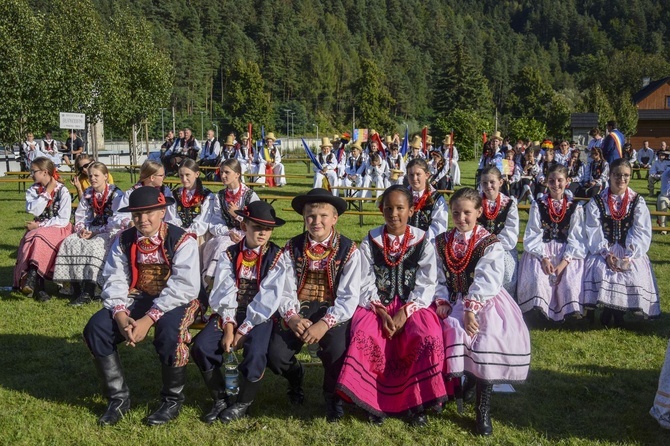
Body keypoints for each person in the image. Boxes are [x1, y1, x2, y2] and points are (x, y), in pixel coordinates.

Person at [83, 186, 201, 426]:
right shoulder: (124, 239)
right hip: (139, 296)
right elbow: (115, 277)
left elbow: (184, 286)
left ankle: (172, 400)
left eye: (149, 212)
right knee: (96, 328)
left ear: (162, 212)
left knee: (170, 331)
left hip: (178, 299)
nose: (143, 219)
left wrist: (148, 319)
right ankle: (118, 399)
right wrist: (119, 314)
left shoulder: (181, 240)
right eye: (137, 214)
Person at [336, 185, 446, 426]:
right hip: (377, 304)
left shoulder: (423, 241)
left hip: (413, 303)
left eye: (400, 208)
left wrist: (406, 312)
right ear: (380, 209)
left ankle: (418, 403)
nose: (393, 214)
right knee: (365, 332)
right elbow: (364, 279)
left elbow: (428, 281)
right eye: (388, 208)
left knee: (427, 333)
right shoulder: (371, 240)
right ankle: (371, 400)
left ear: (411, 210)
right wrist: (381, 310)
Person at [248, 189, 360, 422]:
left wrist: (324, 324)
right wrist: (292, 317)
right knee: (276, 354)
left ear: (335, 218)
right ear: (303, 218)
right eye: (310, 216)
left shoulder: (349, 249)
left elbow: (349, 296)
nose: (316, 221)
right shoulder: (292, 247)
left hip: (333, 311)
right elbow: (283, 287)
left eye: (323, 216)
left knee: (337, 350)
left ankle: (332, 397)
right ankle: (295, 377)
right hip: (299, 309)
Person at [435, 187, 531, 436]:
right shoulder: (442, 241)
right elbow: (436, 277)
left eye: (467, 212)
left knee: (485, 339)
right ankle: (453, 387)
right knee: (449, 333)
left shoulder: (490, 243)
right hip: (453, 300)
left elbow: (487, 281)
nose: (461, 218)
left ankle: (482, 407)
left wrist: (471, 308)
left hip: (485, 302)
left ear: (479, 212)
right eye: (456, 213)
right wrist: (442, 299)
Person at [190, 201, 285, 423]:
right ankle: (220, 399)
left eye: (268, 228)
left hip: (260, 315)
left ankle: (243, 402)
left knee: (255, 352)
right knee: (202, 346)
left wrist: (243, 330)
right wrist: (230, 327)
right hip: (229, 312)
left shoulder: (277, 257)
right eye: (256, 226)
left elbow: (268, 299)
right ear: (244, 225)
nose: (262, 233)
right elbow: (224, 291)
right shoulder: (229, 254)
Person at [583, 158, 660, 327]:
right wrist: (606, 253)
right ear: (609, 176)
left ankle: (617, 312)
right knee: (598, 268)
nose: (622, 179)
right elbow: (593, 230)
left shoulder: (636, 201)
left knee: (633, 271)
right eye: (617, 175)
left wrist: (630, 255)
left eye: (626, 175)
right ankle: (607, 310)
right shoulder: (598, 201)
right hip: (603, 248)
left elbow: (641, 230)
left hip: (628, 249)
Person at [517, 164, 587, 321]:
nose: (556, 185)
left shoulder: (575, 207)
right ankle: (539, 308)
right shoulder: (538, 205)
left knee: (569, 280)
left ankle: (568, 309)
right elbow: (533, 233)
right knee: (537, 276)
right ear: (546, 182)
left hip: (566, 251)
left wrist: (564, 262)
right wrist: (543, 257)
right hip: (542, 249)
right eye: (552, 181)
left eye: (560, 180)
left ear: (567, 181)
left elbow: (577, 237)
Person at [53, 162, 123, 306]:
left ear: (106, 176)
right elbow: (81, 215)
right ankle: (75, 287)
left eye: (96, 175)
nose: (93, 178)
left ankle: (90, 289)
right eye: (90, 175)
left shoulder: (116, 194)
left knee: (96, 245)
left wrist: (96, 232)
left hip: (110, 230)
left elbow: (117, 220)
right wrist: (82, 229)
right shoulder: (88, 193)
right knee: (70, 241)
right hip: (91, 228)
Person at [13, 157, 73, 302]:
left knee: (38, 236)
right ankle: (37, 285)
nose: (31, 174)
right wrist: (47, 192)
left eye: (33, 171)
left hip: (60, 228)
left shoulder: (62, 191)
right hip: (40, 228)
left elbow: (63, 219)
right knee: (30, 238)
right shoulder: (33, 190)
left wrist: (39, 226)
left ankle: (35, 280)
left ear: (45, 172)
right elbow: (34, 210)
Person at [202, 158, 259, 283]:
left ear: (237, 174)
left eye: (227, 172)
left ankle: (219, 279)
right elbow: (215, 223)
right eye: (221, 172)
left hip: (248, 234)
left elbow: (258, 221)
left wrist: (237, 215)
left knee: (224, 245)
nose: (223, 175)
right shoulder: (220, 196)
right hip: (227, 233)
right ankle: (212, 279)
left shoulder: (249, 195)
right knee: (220, 244)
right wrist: (228, 232)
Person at [478, 166, 520, 298]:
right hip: (478, 246)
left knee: (506, 269)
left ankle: (504, 302)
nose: (488, 186)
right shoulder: (475, 202)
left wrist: (493, 246)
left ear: (500, 182)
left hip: (503, 248)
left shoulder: (509, 204)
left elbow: (511, 231)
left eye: (492, 182)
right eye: (484, 183)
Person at [406, 158, 448, 242]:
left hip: (428, 245)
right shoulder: (403, 196)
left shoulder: (437, 198)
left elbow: (439, 227)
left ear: (427, 175)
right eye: (411, 175)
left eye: (418, 174)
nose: (414, 178)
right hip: (404, 242)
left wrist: (420, 240)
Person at [172, 158, 214, 241]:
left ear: (197, 174)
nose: (184, 179)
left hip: (198, 236)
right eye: (181, 175)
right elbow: (172, 218)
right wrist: (179, 232)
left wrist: (188, 232)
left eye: (187, 175)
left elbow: (203, 223)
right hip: (178, 235)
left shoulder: (207, 196)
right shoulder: (175, 194)